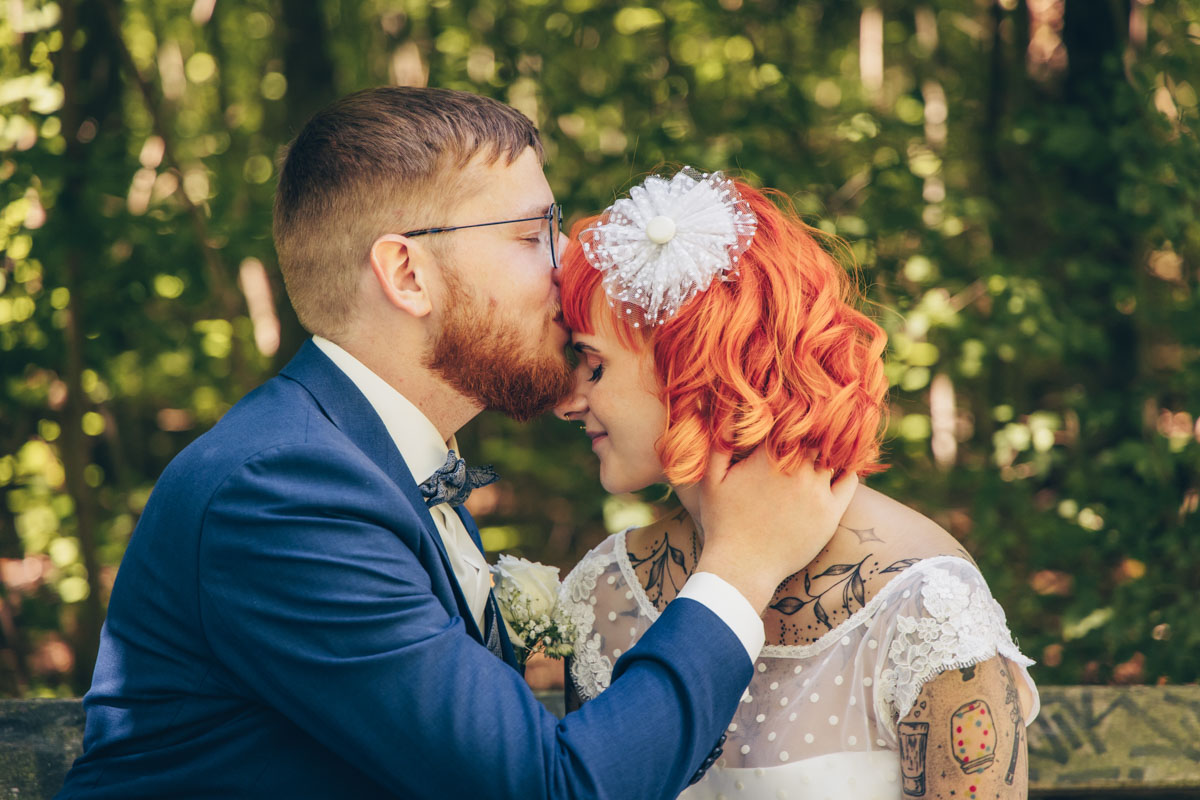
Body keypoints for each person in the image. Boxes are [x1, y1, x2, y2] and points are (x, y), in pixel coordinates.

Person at [56, 89, 858, 799]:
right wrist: (743, 562)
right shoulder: (282, 492)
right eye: (530, 233)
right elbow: (555, 789)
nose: (570, 260)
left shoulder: (377, 462)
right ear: (406, 274)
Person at [554, 169, 1040, 799]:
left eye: (593, 365)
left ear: (693, 363)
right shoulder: (605, 594)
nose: (569, 401)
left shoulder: (924, 607)